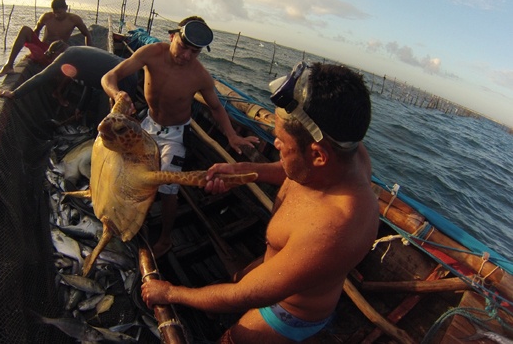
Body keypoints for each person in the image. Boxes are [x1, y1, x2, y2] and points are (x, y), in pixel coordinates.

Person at [141, 62, 380, 343]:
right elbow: (298, 171)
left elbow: (240, 296)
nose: (275, 146)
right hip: (276, 264)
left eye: (280, 141)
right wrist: (242, 171)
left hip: (287, 313)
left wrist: (170, 293)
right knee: (239, 278)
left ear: (318, 154)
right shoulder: (345, 149)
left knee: (231, 338)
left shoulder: (334, 229)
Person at [101, 16, 259, 257]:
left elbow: (216, 107)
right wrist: (118, 94)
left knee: (168, 185)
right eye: (183, 47)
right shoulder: (151, 53)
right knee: (124, 164)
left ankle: (165, 239)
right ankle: (119, 212)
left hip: (175, 134)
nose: (186, 55)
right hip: (148, 124)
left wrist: (231, 135)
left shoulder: (200, 76)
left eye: (194, 52)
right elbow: (109, 77)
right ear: (172, 36)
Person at [0, 45, 138, 123]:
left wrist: (15, 93)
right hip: (125, 74)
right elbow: (90, 83)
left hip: (123, 76)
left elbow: (42, 76)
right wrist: (80, 108)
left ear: (58, 53)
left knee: (108, 124)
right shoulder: (79, 59)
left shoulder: (69, 55)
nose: (54, 62)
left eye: (53, 57)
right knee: (117, 121)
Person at [0, 0, 93, 77]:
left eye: (60, 12)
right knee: (25, 29)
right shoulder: (47, 17)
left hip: (59, 52)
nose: (57, 15)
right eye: (55, 12)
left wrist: (89, 53)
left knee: (72, 59)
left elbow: (87, 34)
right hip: (44, 49)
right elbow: (36, 32)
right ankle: (9, 65)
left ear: (66, 8)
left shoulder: (74, 19)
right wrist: (33, 50)